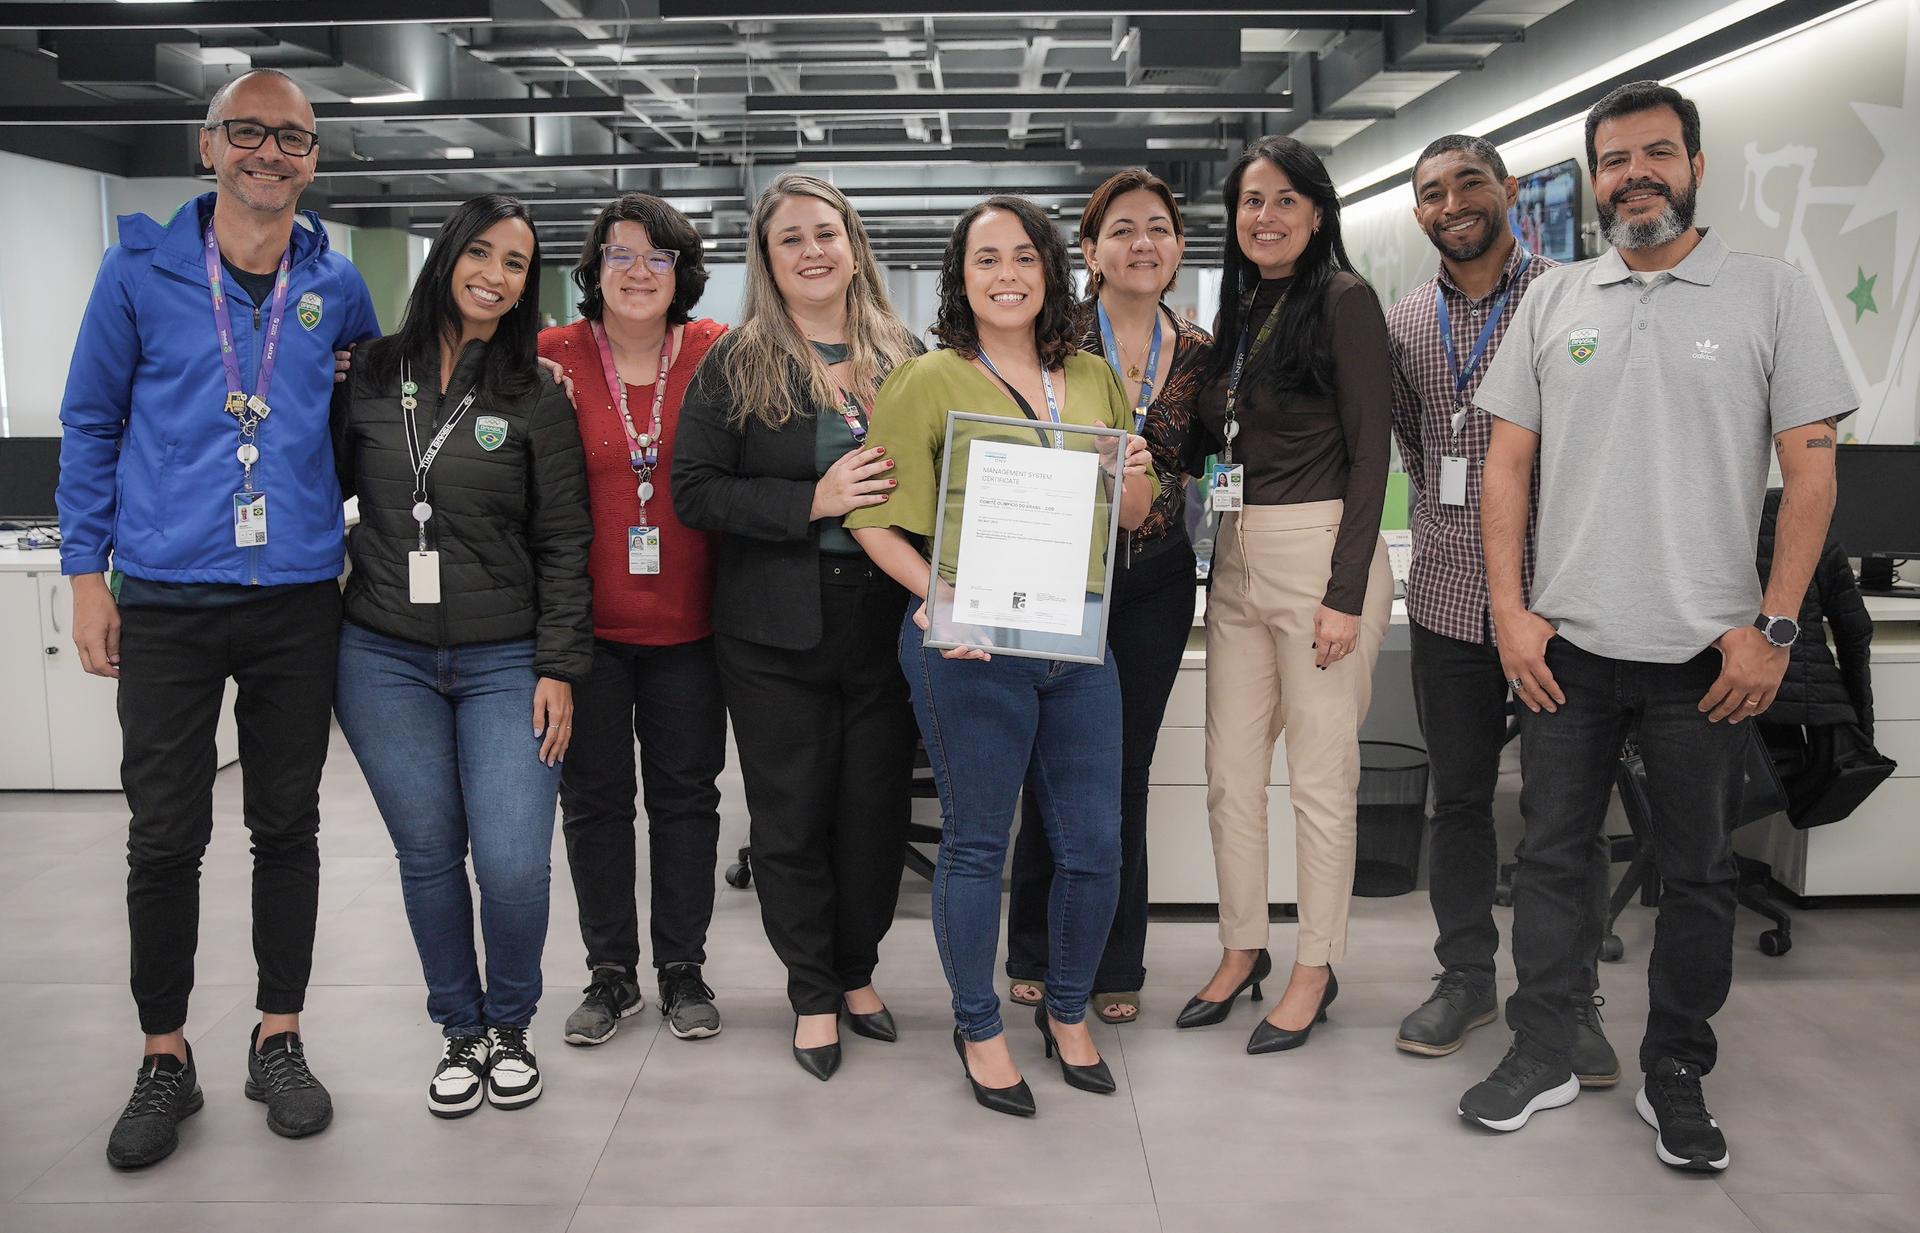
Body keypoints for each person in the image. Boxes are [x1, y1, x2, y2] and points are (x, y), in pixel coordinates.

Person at [1461, 81, 1853, 1173]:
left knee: (1697, 874)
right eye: (1615, 160)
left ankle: (1675, 1068)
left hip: (1709, 658)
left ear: (1695, 165)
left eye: (1656, 154)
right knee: (1547, 862)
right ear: (1593, 179)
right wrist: (1510, 614)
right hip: (1568, 653)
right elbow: (1505, 466)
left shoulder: (1769, 295)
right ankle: (1541, 1049)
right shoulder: (1553, 300)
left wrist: (1773, 628)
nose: (1635, 173)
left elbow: (1812, 476)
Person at [56, 68, 380, 1170]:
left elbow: (365, 424)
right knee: (165, 834)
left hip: (296, 595)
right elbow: (92, 422)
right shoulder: (138, 269)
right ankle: (163, 1056)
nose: (268, 152)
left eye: (291, 138)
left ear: (313, 160)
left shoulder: (336, 285)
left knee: (287, 826)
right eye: (247, 132)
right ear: (209, 147)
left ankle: (277, 1037)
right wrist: (85, 576)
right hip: (165, 592)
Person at [848, 194, 1156, 1117]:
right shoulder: (928, 379)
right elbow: (874, 518)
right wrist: (936, 603)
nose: (1008, 275)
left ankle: (1066, 1009)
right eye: (987, 260)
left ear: (1053, 268)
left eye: (1024, 256)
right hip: (970, 648)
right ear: (962, 277)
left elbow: (1131, 519)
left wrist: (1135, 479)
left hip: (1074, 642)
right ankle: (979, 1023)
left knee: (1094, 847)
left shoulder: (1094, 378)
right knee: (979, 844)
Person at [332, 194, 592, 1120]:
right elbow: (312, 485)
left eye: (516, 262)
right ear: (447, 256)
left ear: (529, 283)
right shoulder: (365, 372)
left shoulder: (534, 391)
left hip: (505, 659)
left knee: (515, 860)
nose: (494, 273)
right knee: (430, 853)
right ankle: (460, 1027)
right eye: (480, 251)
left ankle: (511, 1022)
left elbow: (566, 540)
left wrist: (558, 665)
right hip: (381, 657)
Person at [672, 173, 922, 1083]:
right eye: (791, 239)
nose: (813, 251)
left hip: (888, 618)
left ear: (853, 243)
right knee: (789, 818)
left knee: (874, 814)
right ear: (767, 259)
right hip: (774, 626)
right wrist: (809, 498)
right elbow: (694, 490)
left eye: (827, 233)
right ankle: (812, 989)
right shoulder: (735, 362)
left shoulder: (908, 354)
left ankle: (858, 972)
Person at [1383, 134, 1618, 1082]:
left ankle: (1569, 998)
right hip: (1448, 598)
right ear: (1420, 213)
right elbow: (1405, 445)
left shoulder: (1576, 297)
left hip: (1564, 602)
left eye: (1470, 182)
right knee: (1464, 801)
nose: (1453, 203)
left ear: (1509, 191)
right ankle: (1467, 976)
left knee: (1568, 814)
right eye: (1432, 191)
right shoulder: (1403, 322)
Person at [1177, 136, 1394, 1055]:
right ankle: (1242, 946)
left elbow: (1373, 449)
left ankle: (1315, 963)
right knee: (1229, 775)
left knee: (1317, 780)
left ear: (1316, 211)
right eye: (1248, 202)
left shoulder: (1344, 300)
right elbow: (1213, 440)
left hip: (1319, 558)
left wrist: (1344, 594)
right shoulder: (1240, 306)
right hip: (1236, 556)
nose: (1263, 217)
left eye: (1283, 200)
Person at [1004, 169, 1213, 1027]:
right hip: (1059, 572)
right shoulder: (1053, 339)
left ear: (1178, 246)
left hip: (1156, 581)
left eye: (1157, 228)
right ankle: (1031, 948)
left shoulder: (1201, 354)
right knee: (1047, 760)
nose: (1142, 243)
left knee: (1126, 769)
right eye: (1120, 229)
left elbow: (1205, 464)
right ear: (1088, 252)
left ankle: (1115, 956)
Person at [540, 194, 730, 1046]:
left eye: (658, 257)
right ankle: (611, 972)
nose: (639, 272)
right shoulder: (551, 354)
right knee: (595, 802)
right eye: (620, 256)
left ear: (683, 272)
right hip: (589, 631)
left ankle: (683, 967)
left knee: (687, 802)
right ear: (593, 271)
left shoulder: (721, 353)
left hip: (695, 628)